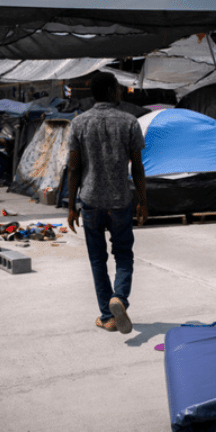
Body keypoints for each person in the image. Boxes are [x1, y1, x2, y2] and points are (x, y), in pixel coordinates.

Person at [67, 72, 148, 334]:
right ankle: (119, 299)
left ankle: (108, 316)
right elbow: (137, 166)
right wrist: (143, 201)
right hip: (120, 200)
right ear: (112, 91)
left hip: (90, 200)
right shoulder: (129, 122)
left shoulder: (79, 123)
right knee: (123, 255)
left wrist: (70, 206)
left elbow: (74, 168)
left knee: (97, 259)